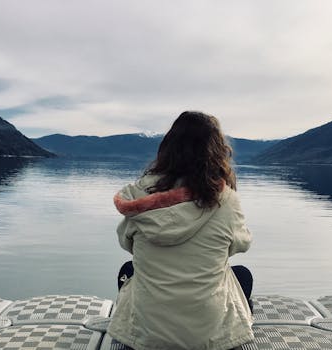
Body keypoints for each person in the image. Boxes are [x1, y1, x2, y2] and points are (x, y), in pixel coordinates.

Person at [107, 111, 254, 350]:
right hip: (207, 334)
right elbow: (242, 244)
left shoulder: (139, 196)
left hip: (149, 334)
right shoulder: (226, 200)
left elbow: (127, 244)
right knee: (242, 275)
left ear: (167, 149)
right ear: (217, 151)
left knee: (128, 269)